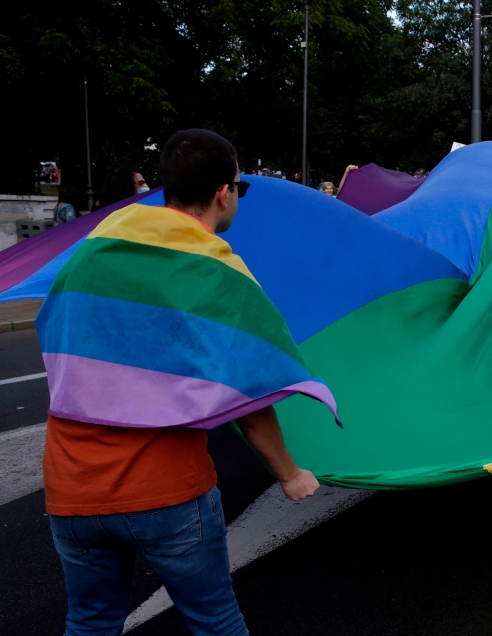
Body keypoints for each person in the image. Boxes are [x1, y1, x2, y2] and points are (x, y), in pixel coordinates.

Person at [43, 129, 321, 636]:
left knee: (89, 623)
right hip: (164, 489)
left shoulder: (97, 247)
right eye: (241, 187)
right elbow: (249, 392)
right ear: (223, 191)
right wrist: (289, 473)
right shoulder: (211, 267)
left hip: (71, 486)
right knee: (215, 621)